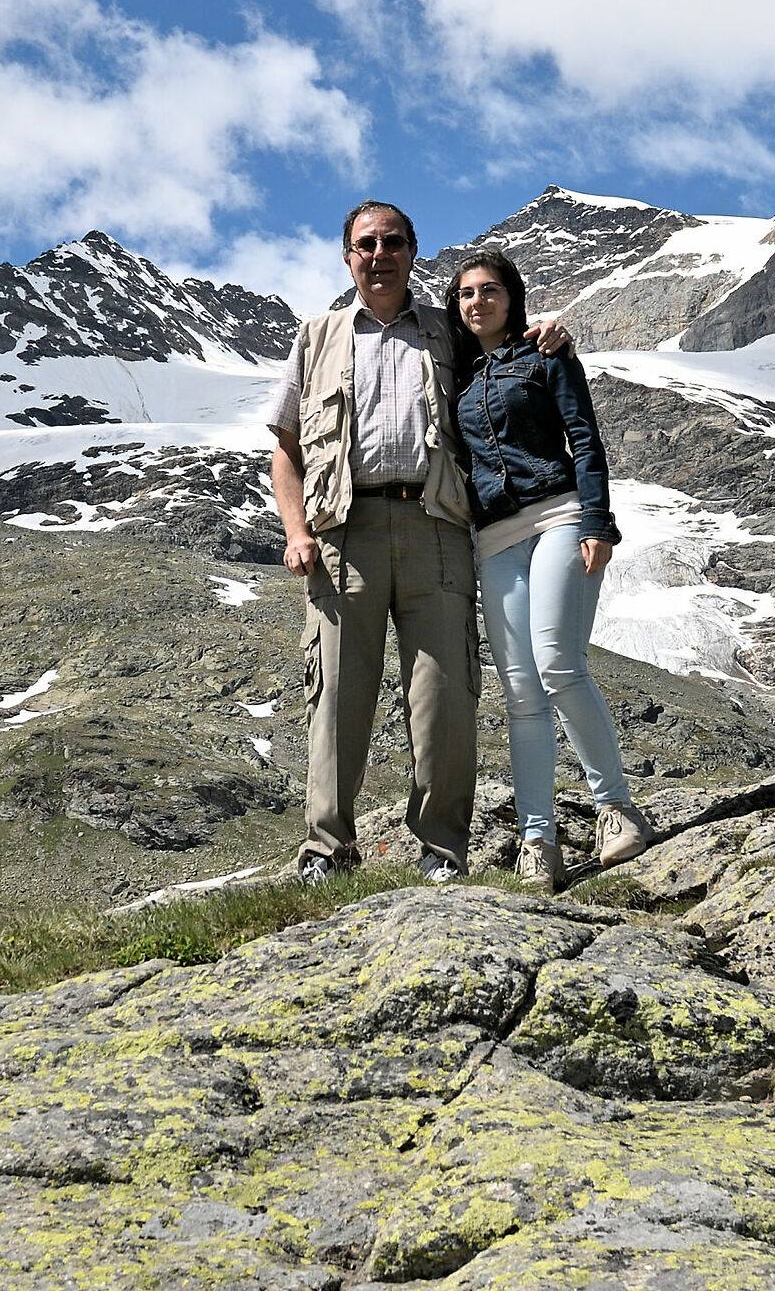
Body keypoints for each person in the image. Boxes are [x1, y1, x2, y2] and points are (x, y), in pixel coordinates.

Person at [267, 201, 570, 885]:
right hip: (344, 532)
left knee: (445, 694)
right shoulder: (316, 337)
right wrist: (296, 531)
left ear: (411, 251)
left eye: (393, 242)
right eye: (366, 244)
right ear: (348, 256)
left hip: (438, 526)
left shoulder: (447, 329)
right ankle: (327, 851)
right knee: (336, 695)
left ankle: (442, 850)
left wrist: (550, 333)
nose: (380, 255)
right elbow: (286, 447)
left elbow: (507, 349)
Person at [447, 249, 652, 891]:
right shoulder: (455, 374)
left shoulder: (547, 354)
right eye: (466, 294)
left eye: (489, 290)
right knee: (520, 692)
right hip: (494, 538)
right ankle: (538, 843)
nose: (477, 302)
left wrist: (597, 521)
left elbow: (584, 438)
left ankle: (616, 809)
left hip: (560, 514)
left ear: (512, 297)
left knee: (559, 662)